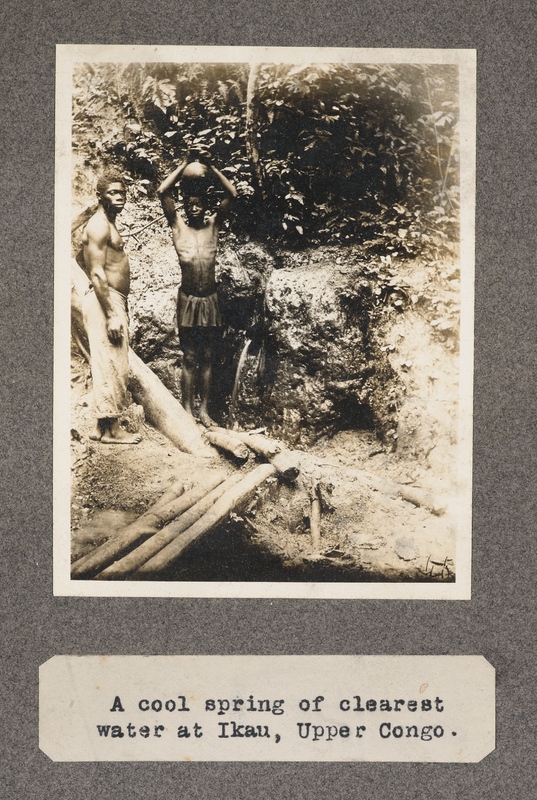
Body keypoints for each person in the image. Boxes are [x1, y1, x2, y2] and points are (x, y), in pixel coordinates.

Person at [157, 152, 237, 427]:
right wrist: (183, 163)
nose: (194, 208)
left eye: (199, 204)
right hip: (189, 299)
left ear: (205, 206)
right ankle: (187, 409)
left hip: (210, 299)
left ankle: (204, 411)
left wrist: (212, 166)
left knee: (208, 356)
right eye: (190, 204)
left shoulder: (214, 226)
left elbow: (233, 194)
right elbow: (162, 191)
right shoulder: (178, 227)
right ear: (185, 206)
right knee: (189, 357)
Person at [79, 173, 141, 444]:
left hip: (108, 299)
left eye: (123, 193)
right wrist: (112, 313)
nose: (120, 197)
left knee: (105, 362)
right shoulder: (99, 226)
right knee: (115, 363)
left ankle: (99, 427)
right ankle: (113, 431)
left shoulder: (107, 224)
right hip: (108, 301)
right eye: (113, 192)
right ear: (100, 196)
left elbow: (80, 259)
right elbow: (96, 272)